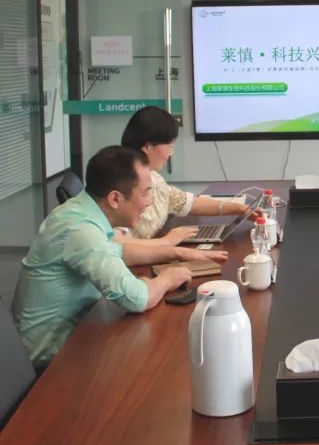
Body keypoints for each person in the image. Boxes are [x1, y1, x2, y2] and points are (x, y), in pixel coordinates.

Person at [12, 147, 225, 369]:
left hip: (78, 336)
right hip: (51, 363)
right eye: (145, 193)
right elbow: (137, 299)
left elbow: (119, 252)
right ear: (115, 199)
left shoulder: (81, 211)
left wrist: (175, 253)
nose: (149, 202)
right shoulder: (80, 229)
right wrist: (167, 279)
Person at [120, 107, 256, 241]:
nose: (171, 153)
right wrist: (168, 243)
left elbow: (188, 203)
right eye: (170, 145)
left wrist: (239, 209)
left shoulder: (155, 178)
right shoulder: (120, 183)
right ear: (147, 147)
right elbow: (118, 244)